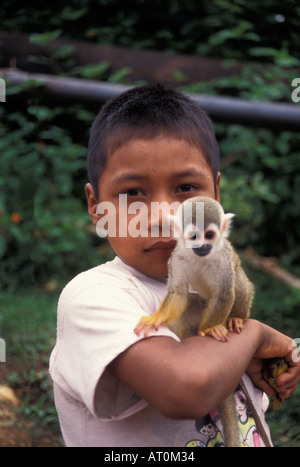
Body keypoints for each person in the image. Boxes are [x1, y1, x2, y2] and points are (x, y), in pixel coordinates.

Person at [49, 84, 300, 447]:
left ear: (214, 194)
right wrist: (254, 335)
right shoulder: (92, 297)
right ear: (95, 206)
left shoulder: (209, 279)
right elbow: (187, 389)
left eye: (185, 187)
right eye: (133, 193)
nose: (167, 217)